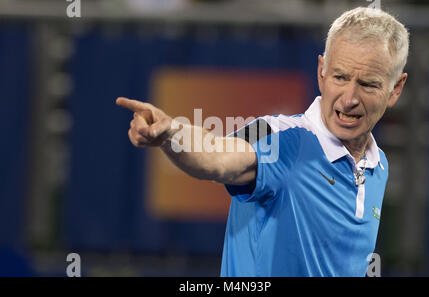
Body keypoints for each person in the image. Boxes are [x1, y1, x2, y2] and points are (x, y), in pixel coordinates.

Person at [116, 7, 409, 276]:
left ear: (395, 89)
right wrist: (172, 133)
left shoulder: (378, 165)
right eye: (340, 77)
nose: (349, 99)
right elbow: (216, 155)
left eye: (368, 84)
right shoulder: (273, 133)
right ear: (321, 71)